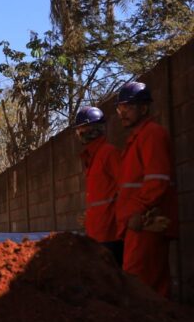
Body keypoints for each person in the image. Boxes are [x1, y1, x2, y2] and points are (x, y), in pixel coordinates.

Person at [114, 82, 177, 297]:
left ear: (144, 108)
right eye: (120, 108)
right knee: (150, 288)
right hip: (136, 224)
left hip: (146, 223)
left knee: (139, 288)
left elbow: (158, 180)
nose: (123, 113)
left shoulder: (152, 134)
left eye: (128, 107)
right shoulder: (136, 139)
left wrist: (139, 211)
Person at [73, 106, 123, 266]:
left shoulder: (108, 153)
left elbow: (124, 191)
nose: (80, 133)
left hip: (111, 235)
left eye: (83, 128)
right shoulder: (91, 158)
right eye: (79, 129)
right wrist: (90, 218)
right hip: (95, 233)